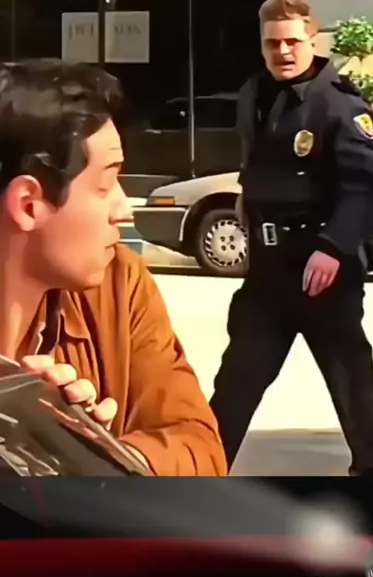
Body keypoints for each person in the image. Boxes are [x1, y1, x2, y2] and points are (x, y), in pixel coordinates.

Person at [0, 59, 227, 476]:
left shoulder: (118, 281)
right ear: (28, 205)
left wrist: (99, 455)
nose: (124, 210)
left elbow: (199, 445)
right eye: (106, 184)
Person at [209, 0, 373, 478]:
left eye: (292, 41)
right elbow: (257, 161)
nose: (283, 51)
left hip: (321, 269)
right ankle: (199, 472)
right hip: (269, 271)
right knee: (237, 380)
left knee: (350, 381)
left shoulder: (340, 104)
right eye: (273, 43)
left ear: (313, 39)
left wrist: (333, 247)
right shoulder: (254, 93)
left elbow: (364, 187)